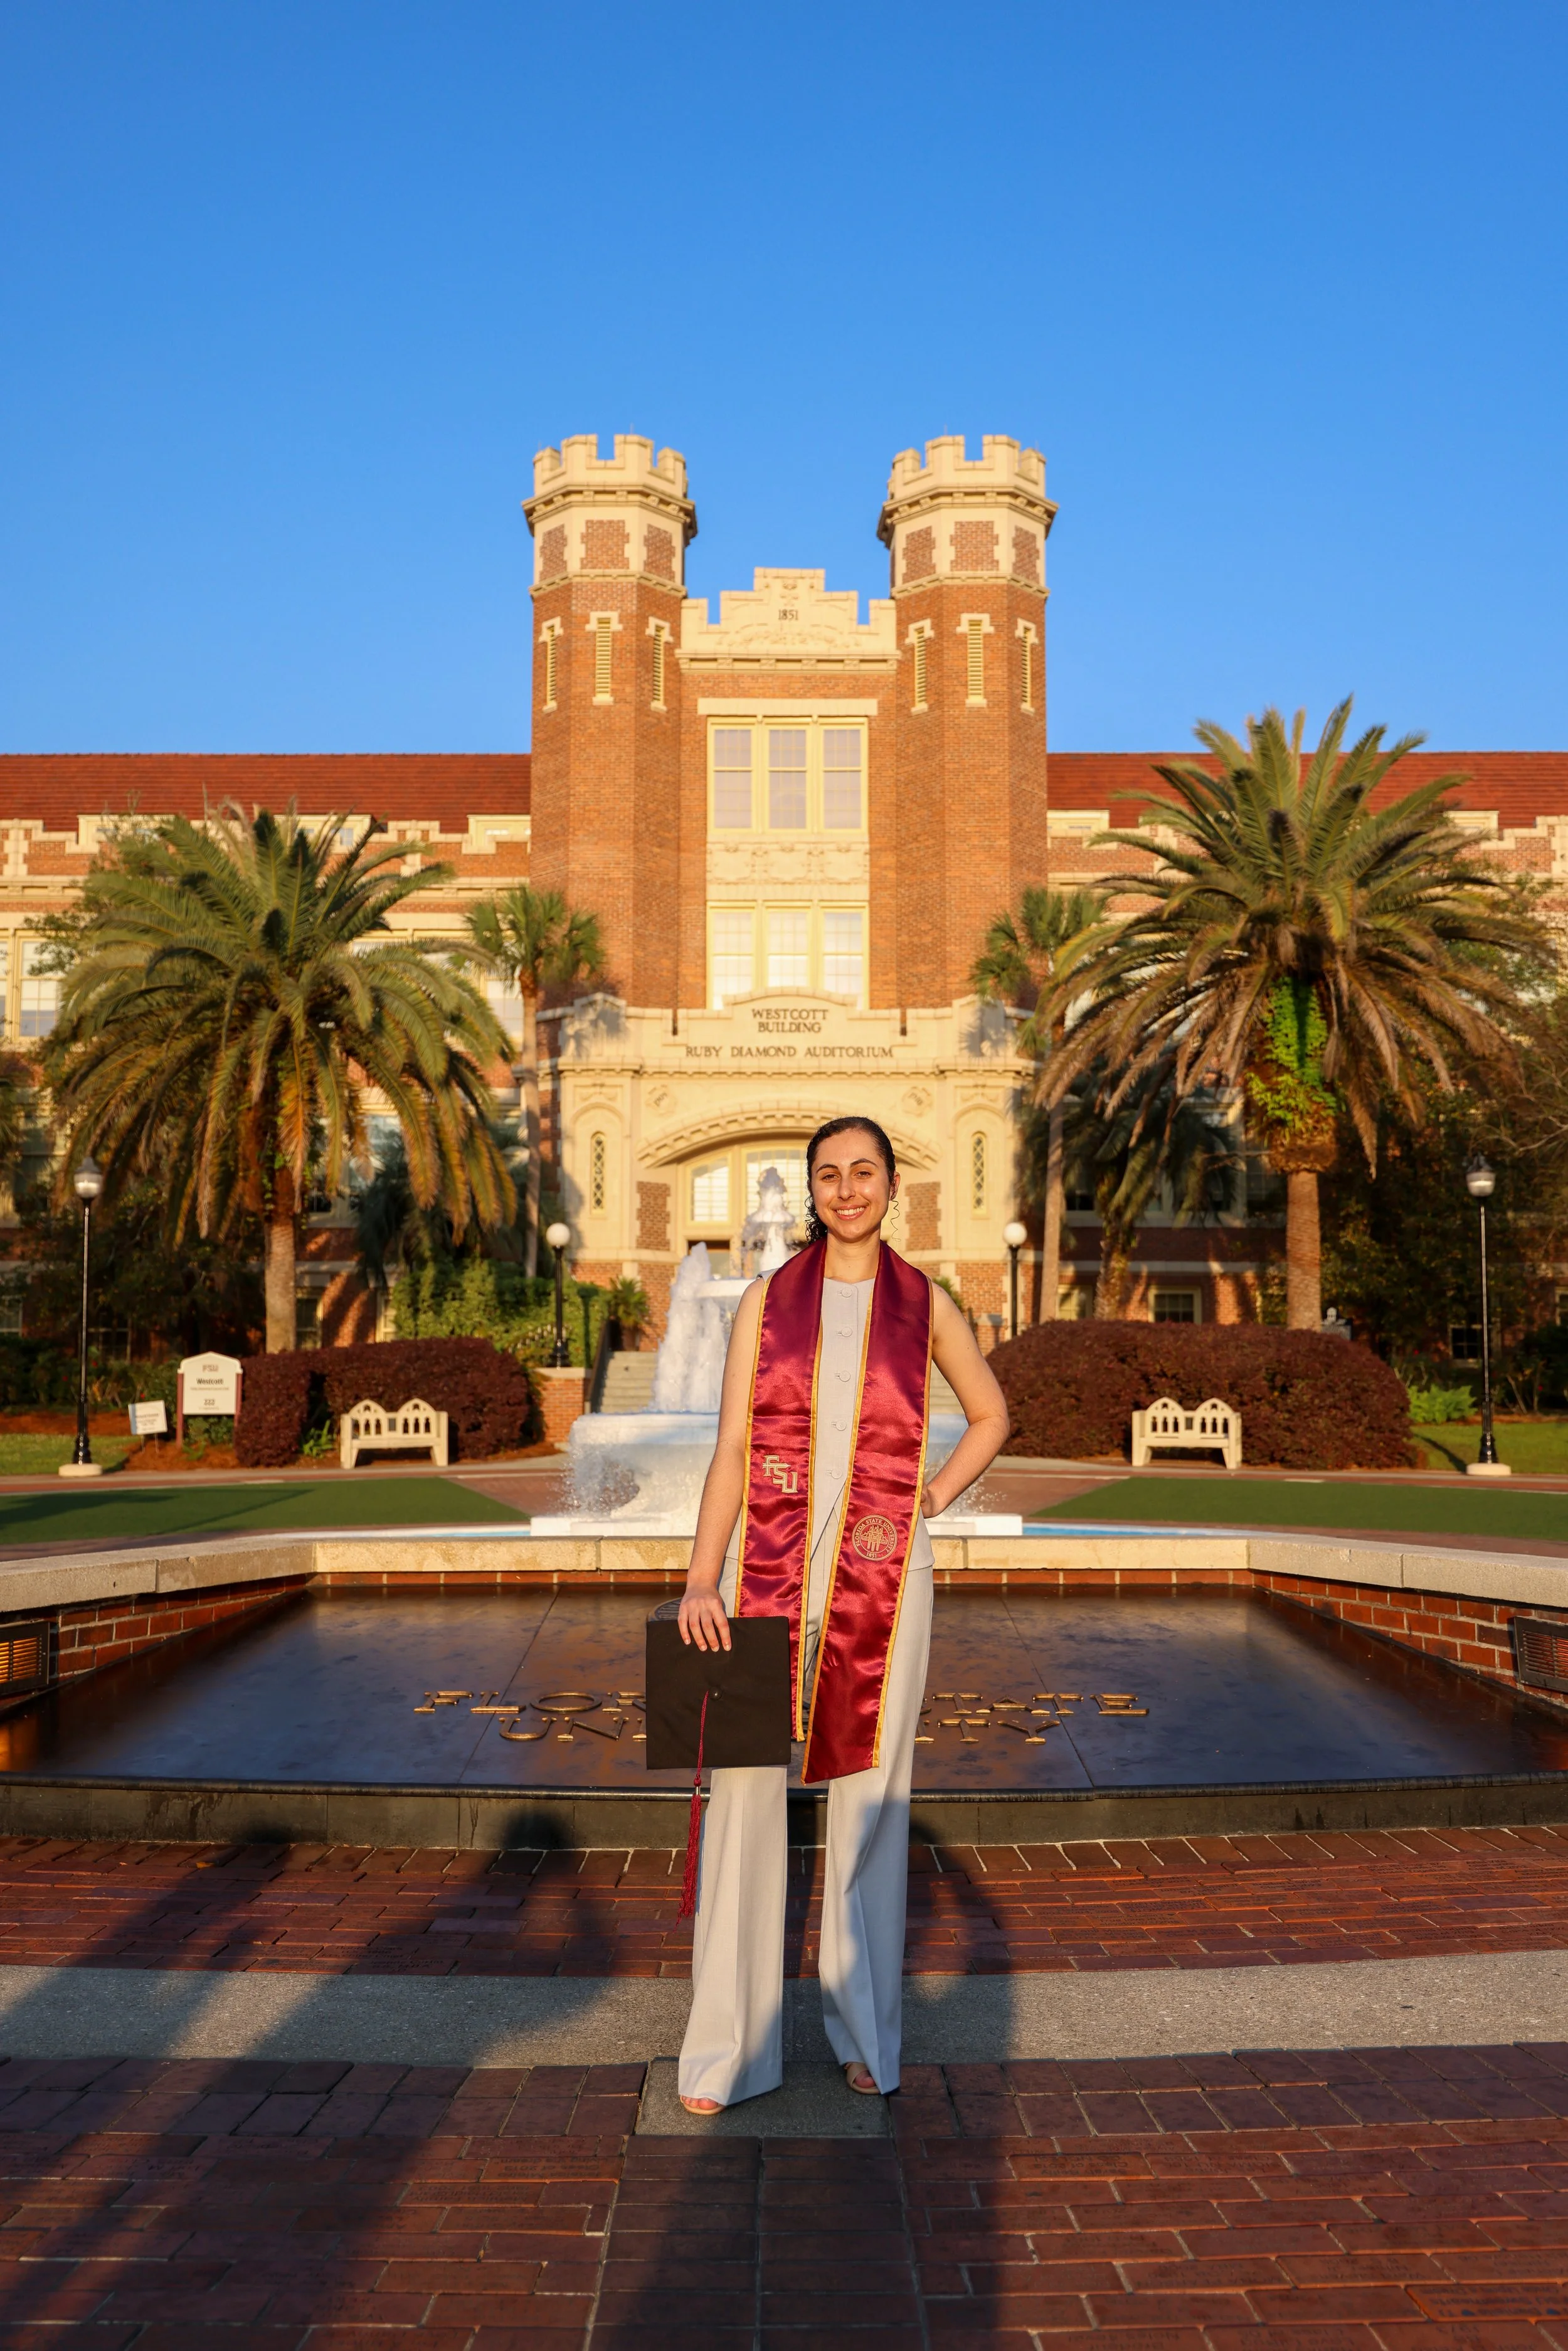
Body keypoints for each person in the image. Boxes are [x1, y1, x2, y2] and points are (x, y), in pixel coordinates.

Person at [675, 1115, 1010, 2112]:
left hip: (885, 1583)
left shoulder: (928, 1303)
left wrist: (934, 1496)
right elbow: (734, 1448)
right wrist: (701, 1578)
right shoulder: (768, 1300)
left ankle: (865, 2034)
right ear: (812, 1191)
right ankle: (728, 2049)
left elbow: (993, 1415)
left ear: (893, 1185)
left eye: (864, 1172)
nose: (847, 1189)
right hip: (761, 1583)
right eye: (829, 1175)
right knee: (742, 1802)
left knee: (869, 1806)